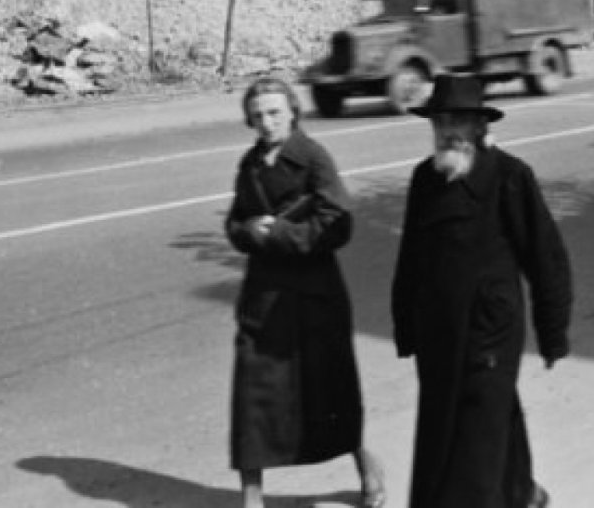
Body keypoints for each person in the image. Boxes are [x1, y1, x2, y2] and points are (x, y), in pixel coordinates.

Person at [390, 76, 573, 508]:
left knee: (473, 440)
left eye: (458, 121)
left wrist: (552, 333)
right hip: (438, 334)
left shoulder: (509, 176)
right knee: (458, 424)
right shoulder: (425, 179)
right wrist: (405, 326)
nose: (447, 131)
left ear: (478, 126)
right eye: (440, 122)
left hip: (489, 332)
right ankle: (521, 491)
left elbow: (545, 258)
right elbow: (411, 257)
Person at [225, 76, 385, 508]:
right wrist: (247, 231)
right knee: (251, 397)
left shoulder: (313, 157)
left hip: (314, 296)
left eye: (274, 112)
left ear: (293, 112)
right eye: (258, 115)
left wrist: (279, 234)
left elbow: (338, 223)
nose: (267, 122)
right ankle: (251, 497)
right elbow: (235, 222)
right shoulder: (249, 164)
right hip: (263, 299)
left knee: (331, 392)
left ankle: (368, 470)